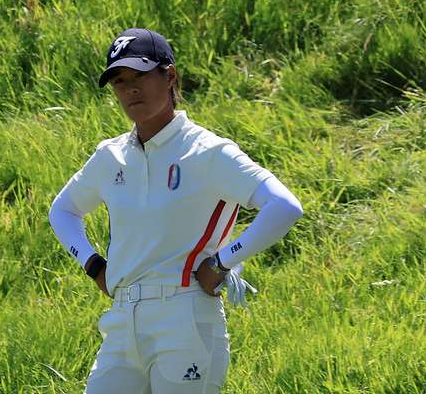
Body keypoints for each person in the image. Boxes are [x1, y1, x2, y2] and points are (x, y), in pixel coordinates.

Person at [49, 28, 303, 393]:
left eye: (139, 76)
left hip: (186, 319)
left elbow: (284, 206)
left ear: (169, 76)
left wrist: (221, 263)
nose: (129, 89)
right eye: (120, 81)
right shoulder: (110, 156)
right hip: (122, 320)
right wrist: (92, 265)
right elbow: (63, 210)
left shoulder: (209, 151)